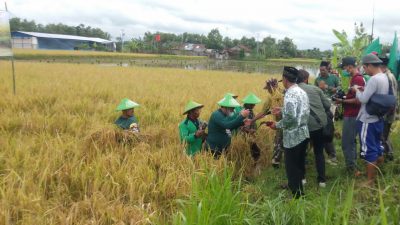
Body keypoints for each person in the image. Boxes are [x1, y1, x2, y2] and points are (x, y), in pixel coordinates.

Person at [267, 66, 310, 198]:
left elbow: (291, 118)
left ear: (285, 79)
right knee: (299, 164)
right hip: (303, 133)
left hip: (293, 137)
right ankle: (299, 189)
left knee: (292, 168)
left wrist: (277, 124)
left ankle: (297, 196)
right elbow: (300, 110)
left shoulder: (289, 94)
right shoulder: (301, 91)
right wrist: (282, 110)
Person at [353, 54, 389, 186]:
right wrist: (365, 89)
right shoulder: (384, 77)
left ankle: (369, 181)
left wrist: (357, 90)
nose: (364, 70)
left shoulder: (374, 79)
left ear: (369, 65)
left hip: (368, 119)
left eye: (364, 67)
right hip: (378, 118)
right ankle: (375, 173)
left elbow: (363, 99)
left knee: (369, 150)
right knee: (377, 146)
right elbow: (375, 95)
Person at [297, 69, 330, 187]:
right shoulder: (316, 89)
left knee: (301, 152)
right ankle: (322, 181)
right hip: (318, 126)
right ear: (306, 79)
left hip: (302, 126)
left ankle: (302, 179)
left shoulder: (292, 91)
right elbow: (327, 105)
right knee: (319, 152)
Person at [335, 57, 365, 174]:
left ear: (349, 66)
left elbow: (358, 100)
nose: (344, 70)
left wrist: (342, 101)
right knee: (351, 141)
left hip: (353, 114)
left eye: (344, 67)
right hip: (353, 114)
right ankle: (353, 166)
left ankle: (352, 169)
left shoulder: (358, 79)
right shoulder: (355, 78)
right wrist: (343, 98)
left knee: (347, 142)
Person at [253, 78, 284, 168]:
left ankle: (276, 163)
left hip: (287, 122)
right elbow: (263, 112)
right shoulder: (270, 98)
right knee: (278, 141)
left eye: (269, 88)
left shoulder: (284, 94)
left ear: (274, 86)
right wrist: (252, 120)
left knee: (279, 142)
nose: (268, 91)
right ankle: (277, 162)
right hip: (278, 123)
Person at [315, 61, 341, 165]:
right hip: (320, 106)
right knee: (321, 128)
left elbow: (339, 89)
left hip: (331, 105)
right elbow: (314, 91)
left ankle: (332, 155)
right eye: (320, 70)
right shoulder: (317, 79)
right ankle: (322, 152)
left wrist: (327, 88)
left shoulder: (334, 78)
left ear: (328, 69)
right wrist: (319, 88)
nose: (322, 72)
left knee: (328, 128)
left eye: (324, 70)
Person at [379, 57, 398, 161]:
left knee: (383, 135)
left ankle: (388, 155)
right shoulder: (388, 75)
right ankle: (389, 154)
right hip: (389, 110)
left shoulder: (388, 77)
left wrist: (387, 112)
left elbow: (392, 97)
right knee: (384, 134)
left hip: (388, 112)